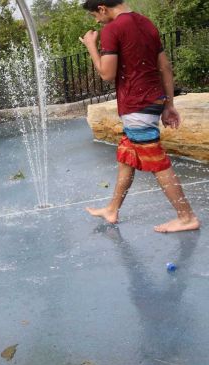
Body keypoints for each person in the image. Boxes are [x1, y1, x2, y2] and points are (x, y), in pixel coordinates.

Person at [79, 0, 200, 233]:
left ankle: (186, 217)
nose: (96, 20)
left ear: (103, 8)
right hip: (153, 100)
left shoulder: (113, 29)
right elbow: (165, 67)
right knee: (127, 153)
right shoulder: (147, 24)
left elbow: (107, 73)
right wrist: (168, 104)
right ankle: (113, 209)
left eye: (95, 15)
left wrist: (91, 46)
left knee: (155, 160)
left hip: (137, 104)